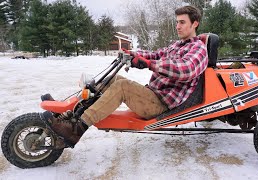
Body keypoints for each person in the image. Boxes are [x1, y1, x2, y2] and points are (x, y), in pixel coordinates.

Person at [42, 5, 208, 146]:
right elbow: (156, 54)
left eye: (182, 22)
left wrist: (149, 65)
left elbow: (185, 70)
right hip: (153, 94)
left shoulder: (198, 49)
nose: (178, 26)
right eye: (177, 22)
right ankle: (70, 114)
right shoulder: (178, 45)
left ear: (195, 24)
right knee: (113, 79)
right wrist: (134, 54)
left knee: (123, 87)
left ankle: (77, 129)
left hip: (161, 104)